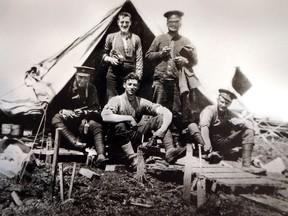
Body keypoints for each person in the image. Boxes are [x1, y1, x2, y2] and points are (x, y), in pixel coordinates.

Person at [101, 73, 186, 169]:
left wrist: (162, 129)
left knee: (160, 119)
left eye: (135, 85)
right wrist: (129, 118)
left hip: (133, 136)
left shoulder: (140, 101)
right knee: (120, 124)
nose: (132, 87)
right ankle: (132, 158)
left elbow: (167, 112)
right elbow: (105, 116)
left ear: (138, 87)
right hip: (117, 141)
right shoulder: (116, 100)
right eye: (129, 84)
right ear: (124, 85)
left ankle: (170, 151)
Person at [145, 10, 198, 143]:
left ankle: (175, 138)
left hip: (176, 82)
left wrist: (186, 61)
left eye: (176, 22)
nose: (173, 24)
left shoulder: (185, 41)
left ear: (180, 24)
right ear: (167, 23)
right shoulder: (159, 38)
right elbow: (148, 55)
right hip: (160, 80)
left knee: (176, 110)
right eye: (171, 22)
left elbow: (194, 61)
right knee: (157, 109)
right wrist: (161, 54)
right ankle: (155, 139)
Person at [187, 88, 266, 174]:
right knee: (192, 126)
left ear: (230, 103)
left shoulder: (229, 114)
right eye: (221, 102)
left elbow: (252, 127)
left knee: (248, 131)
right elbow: (204, 127)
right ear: (218, 99)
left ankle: (246, 166)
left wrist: (242, 121)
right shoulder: (210, 110)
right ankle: (208, 154)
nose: (223, 105)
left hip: (220, 142)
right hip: (204, 142)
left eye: (227, 103)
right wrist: (208, 148)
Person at [51, 66, 107, 164]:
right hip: (68, 121)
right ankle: (75, 143)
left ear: (89, 78)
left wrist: (85, 113)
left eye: (86, 78)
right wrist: (63, 111)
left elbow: (96, 108)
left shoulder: (91, 88)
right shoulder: (66, 87)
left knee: (96, 125)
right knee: (56, 118)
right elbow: (54, 105)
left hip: (82, 121)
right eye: (80, 77)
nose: (82, 80)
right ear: (75, 76)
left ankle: (101, 155)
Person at [102, 11, 143, 100]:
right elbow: (103, 53)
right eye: (122, 22)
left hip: (129, 74)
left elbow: (139, 59)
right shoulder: (111, 37)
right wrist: (109, 59)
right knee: (112, 100)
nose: (124, 25)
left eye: (127, 22)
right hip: (114, 74)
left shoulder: (136, 38)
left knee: (128, 100)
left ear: (131, 23)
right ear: (118, 23)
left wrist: (137, 77)